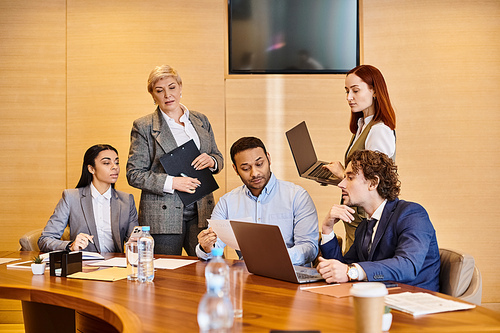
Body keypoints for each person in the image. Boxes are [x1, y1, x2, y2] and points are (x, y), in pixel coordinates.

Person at [127, 65, 223, 256]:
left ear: (180, 87)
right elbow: (134, 174)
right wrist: (173, 182)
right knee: (166, 276)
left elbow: (218, 157)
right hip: (163, 214)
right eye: (159, 91)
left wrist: (212, 161)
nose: (167, 95)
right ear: (153, 96)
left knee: (206, 267)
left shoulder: (200, 120)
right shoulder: (144, 126)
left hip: (201, 209)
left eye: (171, 87)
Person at [317, 150, 440, 291]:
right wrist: (327, 229)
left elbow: (408, 266)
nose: (341, 184)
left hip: (416, 303)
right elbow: (343, 269)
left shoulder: (412, 214)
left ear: (373, 183)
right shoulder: (364, 227)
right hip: (378, 302)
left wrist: (351, 271)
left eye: (350, 178)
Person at [196, 137, 318, 266]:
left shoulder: (297, 196)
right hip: (249, 276)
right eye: (246, 168)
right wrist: (207, 247)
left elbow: (309, 248)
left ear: (269, 159)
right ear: (236, 169)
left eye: (259, 164)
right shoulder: (227, 202)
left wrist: (278, 256)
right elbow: (214, 247)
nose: (255, 173)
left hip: (290, 273)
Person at [324, 64, 397, 252]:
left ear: (374, 91)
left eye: (356, 91)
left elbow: (373, 184)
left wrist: (342, 174)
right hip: (356, 215)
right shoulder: (363, 125)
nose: (349, 97)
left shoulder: (379, 130)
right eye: (347, 91)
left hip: (365, 219)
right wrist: (336, 177)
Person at [38, 144, 139, 253]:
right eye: (106, 163)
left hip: (116, 266)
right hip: (84, 266)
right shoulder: (71, 198)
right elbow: (45, 240)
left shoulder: (126, 200)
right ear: (91, 169)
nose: (115, 167)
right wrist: (71, 246)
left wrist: (138, 242)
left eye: (116, 162)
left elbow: (133, 242)